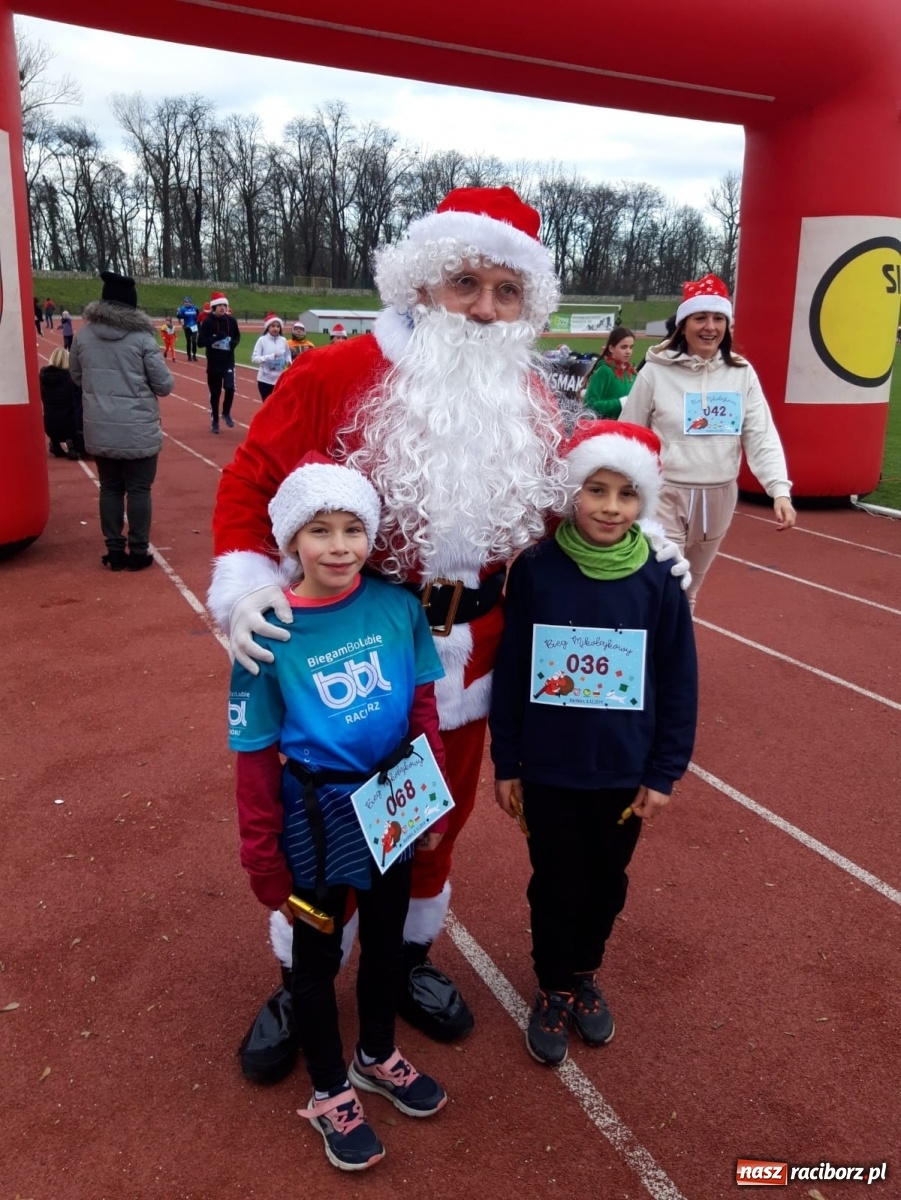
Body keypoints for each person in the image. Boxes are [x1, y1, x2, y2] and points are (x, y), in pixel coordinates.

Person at [207, 186, 688, 1074]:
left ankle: (409, 959)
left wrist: (646, 545)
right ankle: (304, 971)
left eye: (507, 293)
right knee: (320, 818)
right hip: (356, 648)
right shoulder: (334, 372)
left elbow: (563, 509)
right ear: (423, 283)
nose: (483, 308)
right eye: (465, 282)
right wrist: (243, 583)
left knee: (435, 819)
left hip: (480, 655)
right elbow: (249, 482)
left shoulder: (534, 399)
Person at [229, 454, 447, 1171]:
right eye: (318, 530)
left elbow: (421, 710)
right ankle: (327, 1090)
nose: (338, 545)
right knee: (316, 962)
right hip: (316, 821)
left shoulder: (397, 607)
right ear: (291, 543)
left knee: (385, 943)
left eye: (353, 528)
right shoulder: (267, 632)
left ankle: (375, 1054)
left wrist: (429, 798)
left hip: (391, 804)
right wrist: (263, 857)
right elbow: (255, 757)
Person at [489, 420, 698, 1067]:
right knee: (552, 881)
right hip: (551, 768)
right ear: (572, 493)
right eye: (595, 490)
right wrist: (507, 761)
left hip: (621, 769)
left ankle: (583, 972)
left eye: (625, 494)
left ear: (643, 501)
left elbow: (678, 678)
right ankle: (551, 985)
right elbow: (512, 667)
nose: (610, 507)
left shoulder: (659, 580)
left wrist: (663, 773)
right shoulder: (537, 571)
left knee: (605, 880)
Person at [621, 274, 796, 609]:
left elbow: (760, 433)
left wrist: (779, 490)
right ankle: (652, 656)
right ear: (684, 324)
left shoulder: (741, 373)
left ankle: (677, 658)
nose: (710, 327)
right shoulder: (654, 372)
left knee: (690, 588)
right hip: (665, 493)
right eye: (700, 318)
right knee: (664, 579)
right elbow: (628, 432)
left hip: (719, 495)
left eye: (718, 319)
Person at [69, 270, 173, 571]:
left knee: (110, 488)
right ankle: (138, 551)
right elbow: (164, 385)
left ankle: (114, 551)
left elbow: (76, 375)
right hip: (138, 428)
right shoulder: (142, 338)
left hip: (99, 427)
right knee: (140, 490)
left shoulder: (83, 335)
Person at [198, 291, 240, 433]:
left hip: (228, 362)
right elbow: (200, 343)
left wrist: (233, 343)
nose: (223, 308)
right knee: (215, 394)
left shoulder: (232, 321)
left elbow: (237, 337)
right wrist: (216, 339)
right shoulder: (208, 322)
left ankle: (226, 412)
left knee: (230, 387)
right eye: (220, 305)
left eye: (225, 305)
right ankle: (215, 421)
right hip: (214, 364)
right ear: (214, 307)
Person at [582, 325, 638, 419]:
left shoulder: (632, 373)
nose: (628, 351)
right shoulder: (604, 371)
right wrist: (620, 403)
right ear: (611, 348)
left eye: (631, 347)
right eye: (624, 347)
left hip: (626, 428)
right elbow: (589, 406)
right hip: (606, 430)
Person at [39, 347, 84, 460]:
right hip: (71, 425)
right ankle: (73, 443)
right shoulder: (71, 379)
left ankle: (55, 442)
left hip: (49, 425)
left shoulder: (43, 378)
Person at [251, 313, 291, 401]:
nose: (275, 328)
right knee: (267, 405)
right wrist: (270, 357)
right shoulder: (262, 340)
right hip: (265, 379)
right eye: (272, 326)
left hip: (279, 379)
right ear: (268, 327)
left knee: (278, 404)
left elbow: (287, 354)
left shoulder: (283, 340)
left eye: (278, 326)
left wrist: (289, 363)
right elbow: (254, 358)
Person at [176, 296, 200, 362]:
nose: (186, 303)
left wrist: (197, 321)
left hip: (194, 326)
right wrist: (178, 312)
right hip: (187, 327)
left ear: (190, 302)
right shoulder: (183, 309)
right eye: (185, 302)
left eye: (187, 302)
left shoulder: (194, 308)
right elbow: (179, 316)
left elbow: (198, 314)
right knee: (188, 341)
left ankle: (194, 355)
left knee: (194, 341)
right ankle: (189, 356)